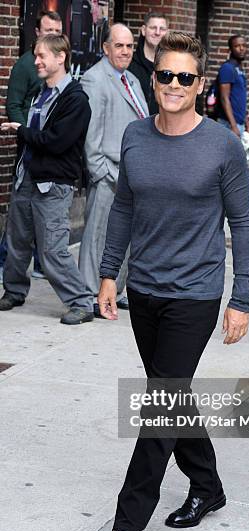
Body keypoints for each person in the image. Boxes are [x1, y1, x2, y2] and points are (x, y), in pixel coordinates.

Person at [97, 31, 249, 531]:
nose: (173, 84)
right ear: (154, 78)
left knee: (158, 408)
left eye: (185, 77)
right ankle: (208, 486)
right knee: (175, 397)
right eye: (165, 75)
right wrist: (108, 274)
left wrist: (242, 296)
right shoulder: (136, 138)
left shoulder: (221, 145)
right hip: (144, 290)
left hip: (196, 293)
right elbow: (123, 208)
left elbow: (244, 223)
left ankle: (126, 526)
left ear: (200, 84)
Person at [0, 34, 94, 325]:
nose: (36, 61)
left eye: (41, 56)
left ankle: (81, 302)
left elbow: (56, 141)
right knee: (16, 241)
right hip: (27, 177)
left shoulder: (76, 100)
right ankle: (14, 291)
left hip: (52, 185)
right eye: (36, 55)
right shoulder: (41, 93)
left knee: (52, 248)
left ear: (60, 57)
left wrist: (21, 130)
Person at [79, 23, 148, 317]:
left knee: (123, 238)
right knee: (97, 237)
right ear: (106, 48)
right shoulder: (95, 79)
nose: (126, 51)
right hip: (108, 173)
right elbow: (91, 133)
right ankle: (88, 295)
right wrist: (100, 171)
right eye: (119, 45)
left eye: (130, 46)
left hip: (130, 175)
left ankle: (114, 291)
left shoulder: (131, 79)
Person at [3, 10, 63, 281]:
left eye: (57, 31)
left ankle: (40, 264)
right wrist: (25, 132)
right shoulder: (26, 65)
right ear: (37, 32)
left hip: (49, 145)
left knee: (40, 206)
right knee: (22, 208)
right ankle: (7, 262)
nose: (52, 35)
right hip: (30, 145)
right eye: (47, 30)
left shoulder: (61, 65)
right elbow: (13, 105)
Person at [129, 11, 168, 114]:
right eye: (153, 28)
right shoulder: (129, 64)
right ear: (143, 30)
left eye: (162, 29)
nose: (157, 32)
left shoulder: (171, 67)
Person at [217, 34, 248, 137]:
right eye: (237, 46)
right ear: (230, 49)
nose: (241, 48)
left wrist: (248, 125)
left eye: (243, 45)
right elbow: (224, 98)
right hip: (228, 124)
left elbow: (242, 99)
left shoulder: (240, 69)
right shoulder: (227, 68)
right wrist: (233, 126)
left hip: (240, 124)